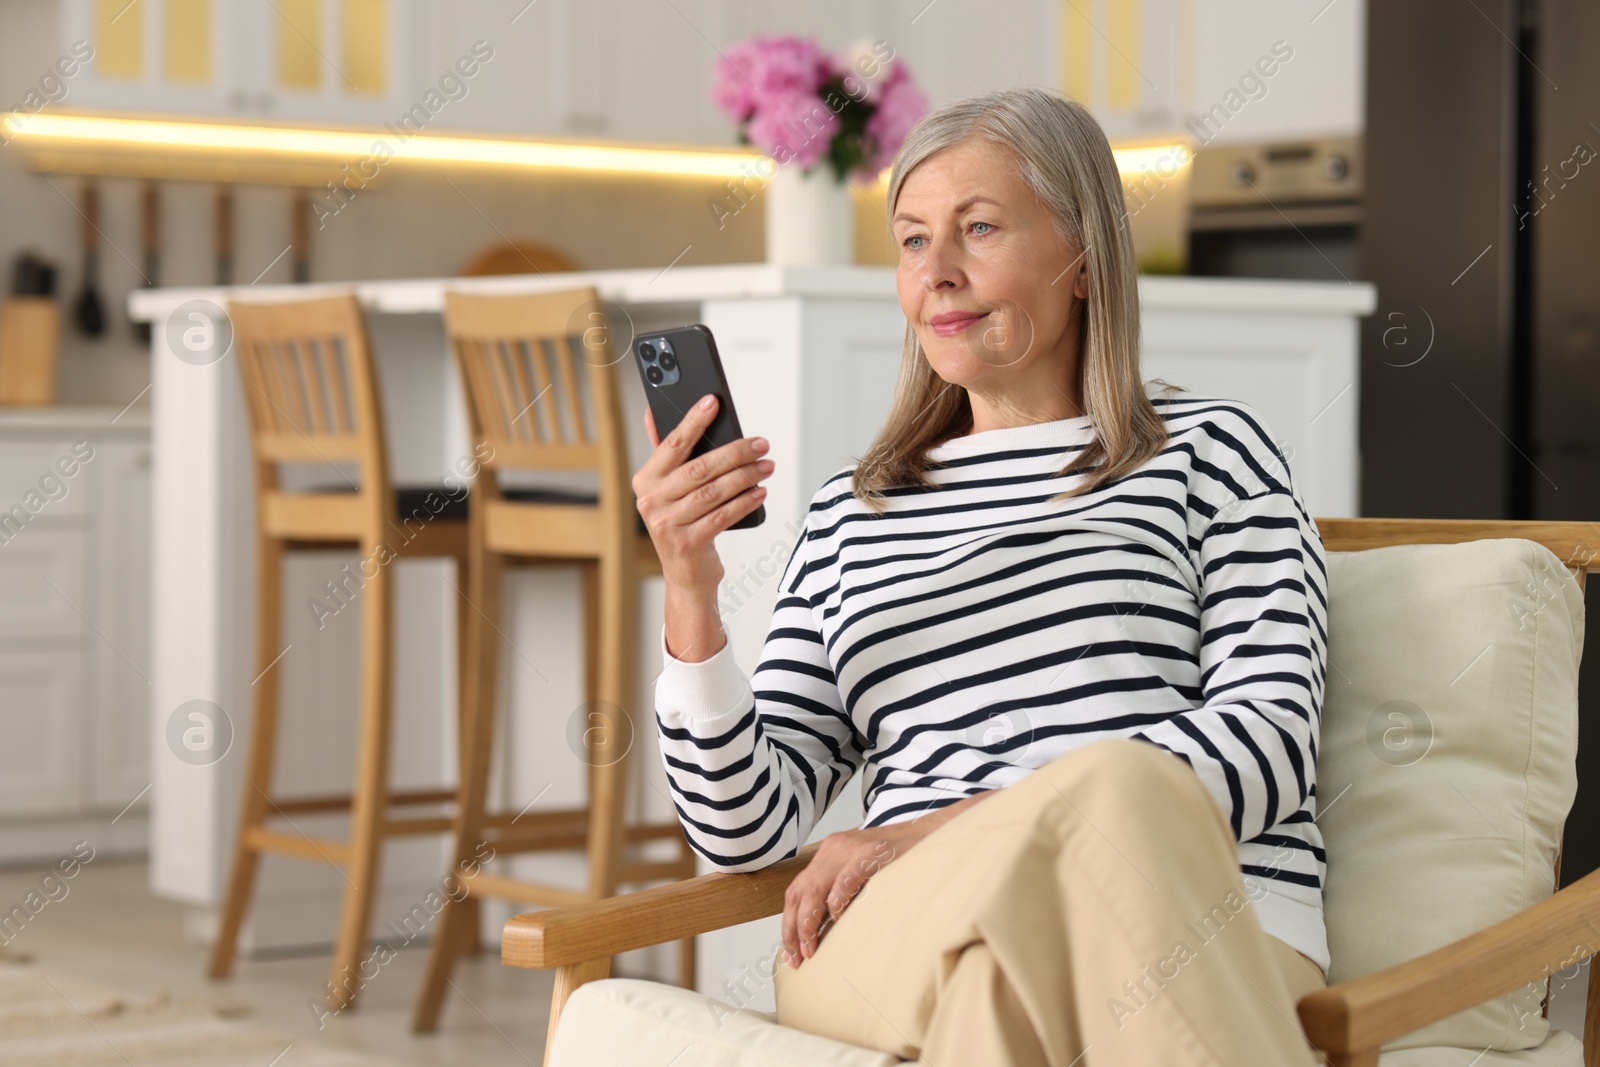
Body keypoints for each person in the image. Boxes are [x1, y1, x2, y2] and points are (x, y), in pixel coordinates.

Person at [631, 86, 1330, 1066]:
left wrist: (927, 834)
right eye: (913, 241)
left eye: (980, 228)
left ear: (1084, 261)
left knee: (1096, 829)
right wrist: (692, 590)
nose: (939, 274)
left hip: (1204, 910)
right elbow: (744, 831)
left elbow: (1265, 742)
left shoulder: (1213, 453)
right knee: (1017, 913)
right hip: (902, 927)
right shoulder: (850, 512)